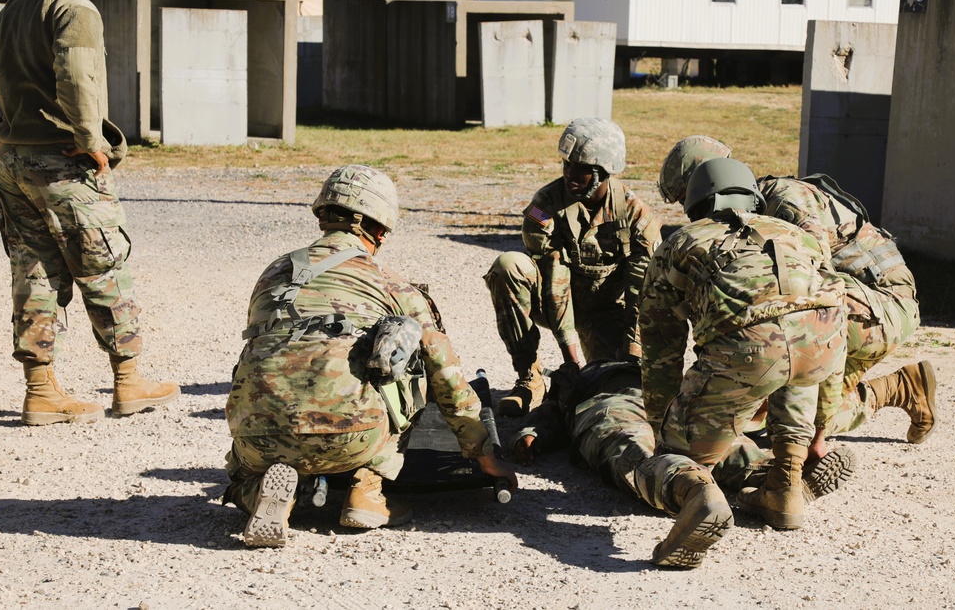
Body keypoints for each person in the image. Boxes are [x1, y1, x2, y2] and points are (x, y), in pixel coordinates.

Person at [224, 165, 518, 548]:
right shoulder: (390, 283)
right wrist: (481, 451)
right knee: (407, 355)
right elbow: (445, 372)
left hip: (256, 437)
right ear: (378, 230)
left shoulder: (273, 273)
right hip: (351, 436)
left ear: (324, 216)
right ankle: (368, 490)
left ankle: (257, 490)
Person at [0, 0, 178, 425]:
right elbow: (77, 77)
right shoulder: (75, 7)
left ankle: (41, 391)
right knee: (104, 266)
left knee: (33, 271)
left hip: (13, 164)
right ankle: (130, 383)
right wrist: (90, 141)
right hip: (63, 163)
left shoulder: (16, 7)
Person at [658, 136, 936, 449]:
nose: (689, 210)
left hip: (883, 305)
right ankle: (905, 387)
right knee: (764, 413)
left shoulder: (783, 199)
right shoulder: (745, 212)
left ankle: (893, 390)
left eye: (686, 195)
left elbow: (817, 287)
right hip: (850, 301)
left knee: (796, 421)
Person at [639, 158, 848, 565]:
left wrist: (664, 432)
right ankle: (785, 487)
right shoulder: (797, 235)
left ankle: (698, 497)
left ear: (695, 203)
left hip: (748, 348)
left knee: (662, 465)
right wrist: (824, 426)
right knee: (800, 342)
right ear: (752, 196)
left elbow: (660, 347)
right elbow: (831, 310)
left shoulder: (679, 244)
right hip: (823, 340)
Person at [509, 360, 855, 569]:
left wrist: (529, 433)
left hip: (609, 407)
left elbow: (547, 413)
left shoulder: (578, 381)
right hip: (666, 398)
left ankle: (693, 490)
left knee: (633, 454)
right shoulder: (642, 363)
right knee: (712, 443)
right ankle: (778, 477)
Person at [484, 117, 662, 416]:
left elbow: (641, 297)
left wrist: (630, 362)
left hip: (606, 312)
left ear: (604, 173)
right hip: (553, 300)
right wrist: (571, 360)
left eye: (581, 168)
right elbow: (556, 278)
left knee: (611, 391)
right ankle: (530, 380)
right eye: (567, 164)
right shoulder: (545, 205)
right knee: (508, 266)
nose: (570, 174)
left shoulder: (636, 217)